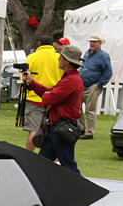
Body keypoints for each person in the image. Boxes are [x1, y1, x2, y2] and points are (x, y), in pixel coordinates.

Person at [22, 45, 85, 174]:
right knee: (42, 163)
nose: (58, 59)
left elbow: (49, 98)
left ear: (67, 61)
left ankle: (83, 191)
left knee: (68, 166)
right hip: (57, 128)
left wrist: (43, 92)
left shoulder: (71, 80)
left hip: (61, 128)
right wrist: (32, 82)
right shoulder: (68, 78)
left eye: (61, 57)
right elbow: (50, 92)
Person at [24, 34, 63, 151]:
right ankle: (56, 161)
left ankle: (27, 157)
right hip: (55, 99)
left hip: (34, 99)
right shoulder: (60, 58)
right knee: (56, 131)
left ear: (39, 44)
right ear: (53, 44)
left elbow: (24, 78)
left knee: (34, 130)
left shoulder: (31, 58)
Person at [79, 33, 112, 140]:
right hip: (82, 85)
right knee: (77, 108)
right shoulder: (87, 54)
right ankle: (81, 128)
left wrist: (99, 84)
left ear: (100, 43)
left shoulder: (103, 56)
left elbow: (108, 71)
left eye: (94, 42)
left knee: (90, 110)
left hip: (93, 86)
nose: (92, 44)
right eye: (91, 42)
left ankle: (89, 132)